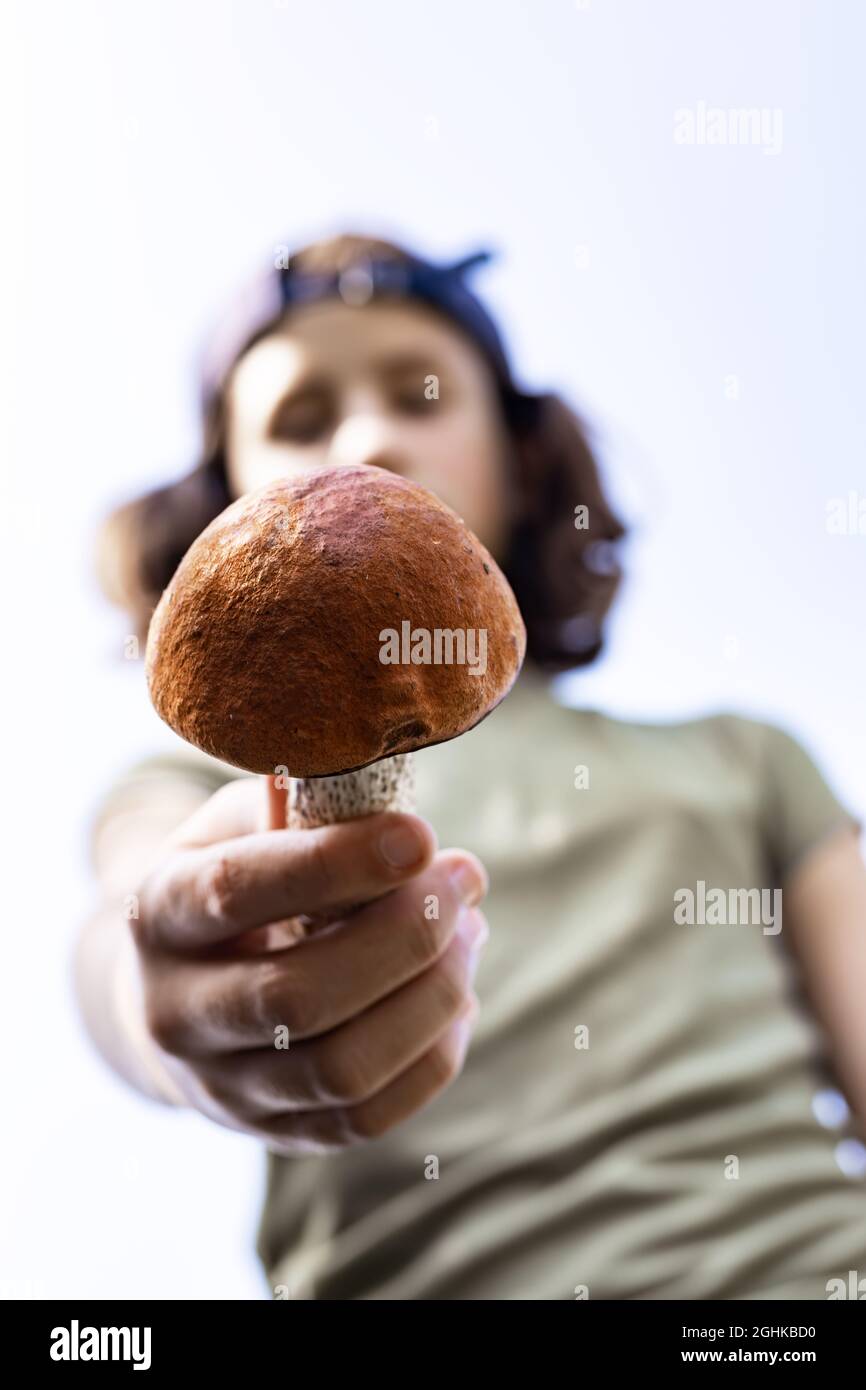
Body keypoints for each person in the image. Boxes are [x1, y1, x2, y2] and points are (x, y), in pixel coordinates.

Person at [77, 232, 866, 1300]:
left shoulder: (741, 760)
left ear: (518, 452)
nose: (364, 437)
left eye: (420, 393)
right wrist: (164, 1004)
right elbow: (124, 929)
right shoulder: (187, 784)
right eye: (298, 421)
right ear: (222, 500)